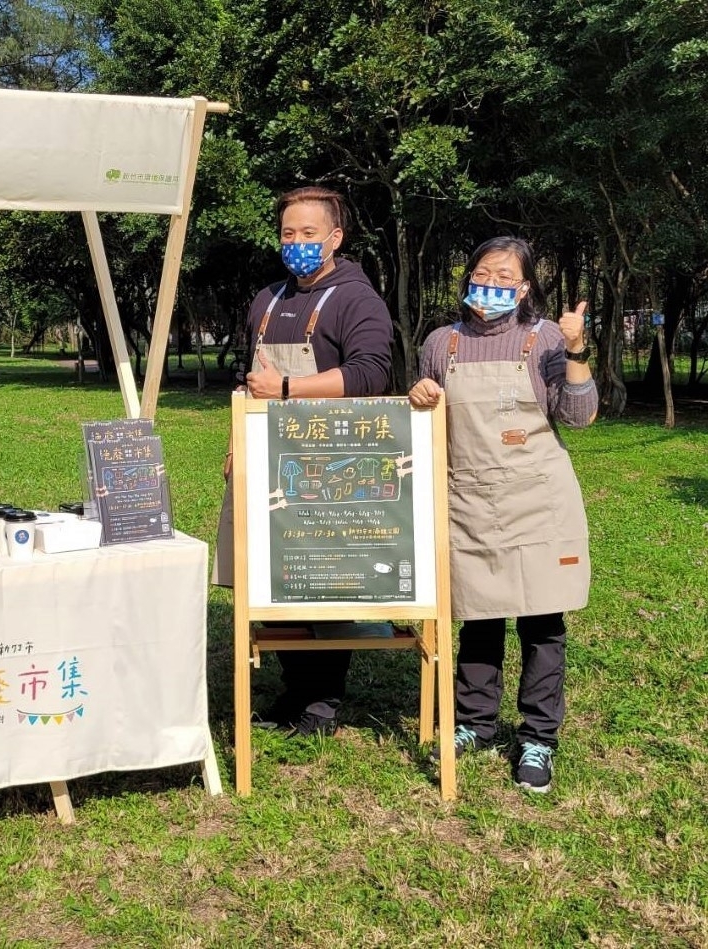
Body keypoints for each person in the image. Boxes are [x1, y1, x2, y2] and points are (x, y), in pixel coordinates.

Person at [408, 236, 595, 794]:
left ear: (525, 287)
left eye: (506, 276)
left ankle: (538, 737)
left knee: (543, 623)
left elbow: (579, 416)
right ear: (467, 279)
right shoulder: (443, 344)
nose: (492, 284)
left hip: (538, 499)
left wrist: (578, 350)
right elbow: (428, 427)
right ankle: (474, 723)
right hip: (468, 498)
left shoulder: (543, 341)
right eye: (483, 272)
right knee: (480, 617)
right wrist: (420, 394)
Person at [213, 186, 394, 736]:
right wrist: (233, 442)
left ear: (335, 238)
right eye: (288, 233)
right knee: (270, 577)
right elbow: (249, 382)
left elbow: (371, 373)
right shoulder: (266, 299)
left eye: (309, 234)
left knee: (321, 581)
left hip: (328, 464)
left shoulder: (357, 300)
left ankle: (322, 702)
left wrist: (289, 387)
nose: (296, 243)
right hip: (266, 458)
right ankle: (294, 690)